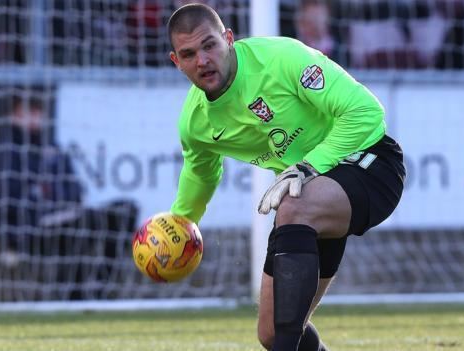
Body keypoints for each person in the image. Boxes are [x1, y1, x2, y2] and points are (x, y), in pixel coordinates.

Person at [167, 3, 405, 351]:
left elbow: (366, 112)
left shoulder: (281, 58)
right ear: (176, 62)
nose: (202, 61)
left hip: (370, 161)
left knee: (291, 207)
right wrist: (180, 225)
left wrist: (310, 165)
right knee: (271, 333)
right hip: (308, 190)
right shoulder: (195, 123)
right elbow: (201, 172)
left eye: (209, 46)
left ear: (228, 39)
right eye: (189, 54)